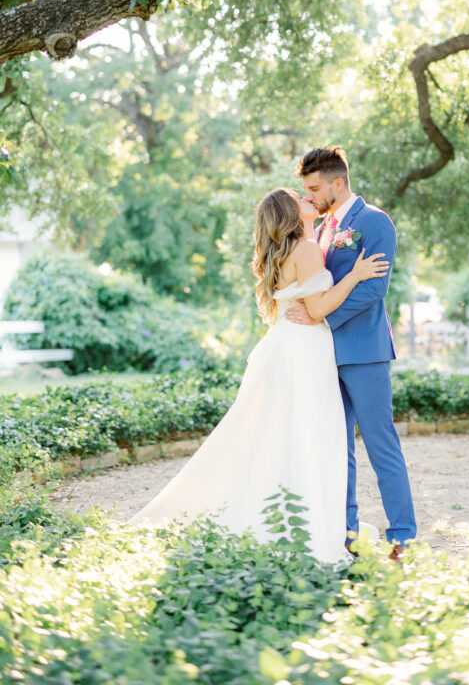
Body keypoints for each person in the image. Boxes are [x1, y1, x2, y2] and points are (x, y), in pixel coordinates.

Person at [127, 186, 388, 564]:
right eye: (299, 197)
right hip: (305, 352)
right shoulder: (308, 248)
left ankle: (290, 520)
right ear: (290, 212)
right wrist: (357, 275)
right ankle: (312, 529)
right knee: (312, 438)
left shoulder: (284, 251)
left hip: (282, 348)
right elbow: (318, 309)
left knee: (280, 439)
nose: (307, 199)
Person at [286, 146, 417, 559]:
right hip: (323, 355)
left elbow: (375, 288)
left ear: (338, 182)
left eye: (314, 188)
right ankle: (347, 533)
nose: (308, 196)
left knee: (381, 444)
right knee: (336, 446)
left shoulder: (375, 222)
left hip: (363, 351)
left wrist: (323, 319)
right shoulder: (321, 230)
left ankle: (403, 536)